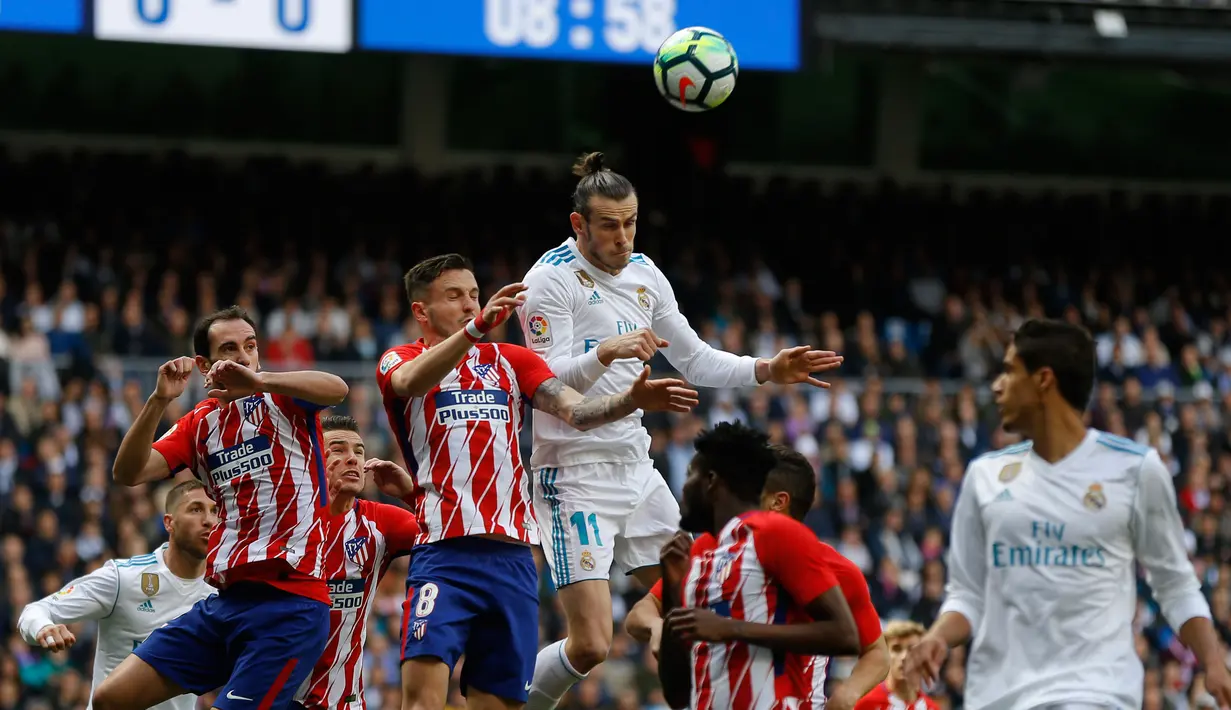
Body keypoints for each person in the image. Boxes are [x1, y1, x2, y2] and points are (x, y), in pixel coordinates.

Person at [517, 151, 844, 710]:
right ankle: (511, 703)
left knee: (695, 603)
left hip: (636, 469)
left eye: (631, 222)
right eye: (609, 225)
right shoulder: (549, 281)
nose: (623, 237)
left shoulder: (646, 275)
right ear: (579, 225)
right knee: (593, 643)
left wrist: (765, 370)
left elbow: (695, 359)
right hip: (573, 474)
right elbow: (543, 380)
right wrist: (606, 352)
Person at [375, 253, 698, 710]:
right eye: (454, 297)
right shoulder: (401, 358)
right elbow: (407, 383)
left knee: (499, 702)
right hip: (445, 552)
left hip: (513, 558)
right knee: (423, 701)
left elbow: (576, 411)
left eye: (473, 295)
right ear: (421, 311)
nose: (470, 305)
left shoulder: (511, 360)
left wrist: (631, 399)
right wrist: (473, 332)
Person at [904, 318, 1231, 710]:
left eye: (1009, 371)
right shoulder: (984, 476)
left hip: (1094, 695)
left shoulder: (1135, 470)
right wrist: (937, 636)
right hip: (997, 697)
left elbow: (1175, 583)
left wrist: (1213, 662)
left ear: (1044, 380)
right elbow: (967, 594)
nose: (997, 385)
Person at [96, 305, 350, 710]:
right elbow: (128, 472)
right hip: (226, 603)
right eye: (229, 349)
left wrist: (261, 380)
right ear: (204, 364)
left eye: (250, 346)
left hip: (291, 604)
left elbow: (337, 388)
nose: (244, 356)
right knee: (111, 697)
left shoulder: (284, 397)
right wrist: (159, 400)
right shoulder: (200, 423)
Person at [626, 444, 888, 710]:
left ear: (778, 501)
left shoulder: (837, 570)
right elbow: (641, 613)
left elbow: (877, 652)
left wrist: (848, 693)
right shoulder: (709, 547)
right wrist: (658, 628)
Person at [18, 481, 218, 710]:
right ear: (169, 523)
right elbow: (34, 611)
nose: (208, 521)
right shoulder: (124, 577)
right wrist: (43, 627)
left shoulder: (220, 592)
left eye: (214, 511)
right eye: (196, 509)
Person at [293, 414, 421, 710]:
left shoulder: (381, 522)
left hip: (343, 702)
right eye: (338, 450)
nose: (353, 459)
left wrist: (409, 493)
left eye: (359, 452)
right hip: (275, 696)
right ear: (312, 459)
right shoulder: (286, 519)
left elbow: (448, 530)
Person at [854, 621, 938, 710]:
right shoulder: (865, 704)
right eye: (896, 649)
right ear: (885, 654)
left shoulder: (931, 708)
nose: (904, 656)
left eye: (912, 649)